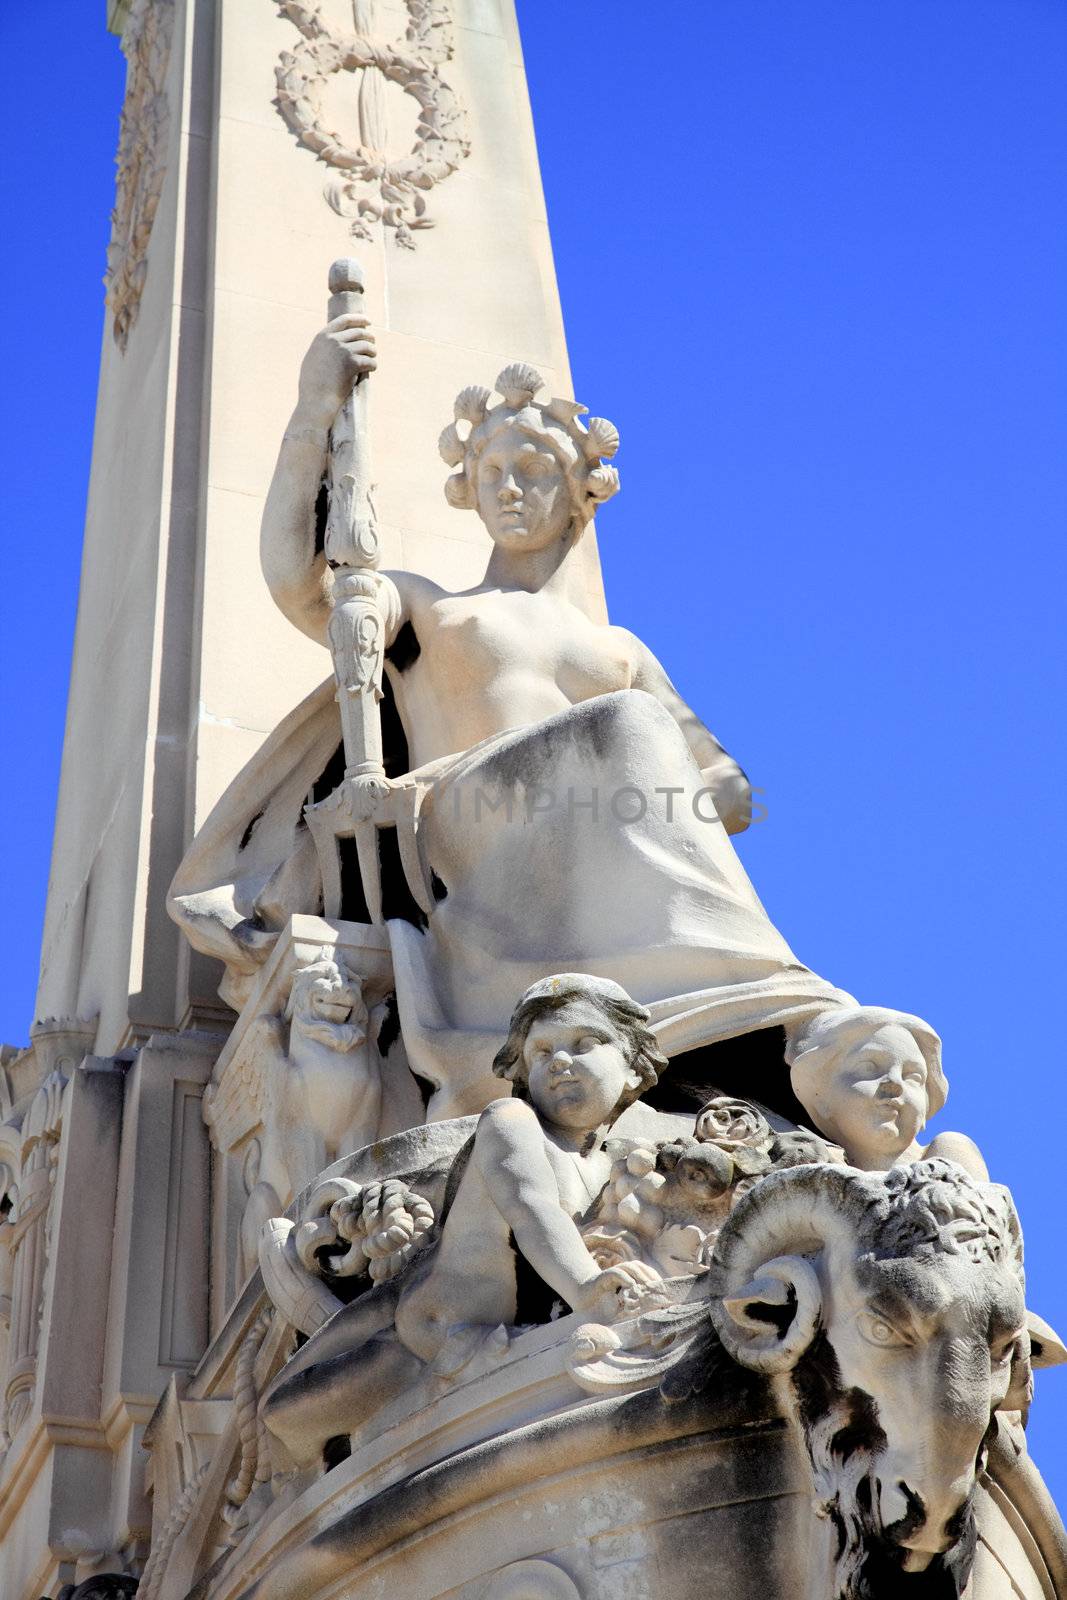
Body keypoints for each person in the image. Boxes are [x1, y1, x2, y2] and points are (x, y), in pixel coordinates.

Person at [169, 316, 852, 1113]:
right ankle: (761, 986)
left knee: (629, 724)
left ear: (579, 494)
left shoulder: (618, 650)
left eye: (533, 468)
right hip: (462, 818)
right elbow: (301, 583)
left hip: (594, 827)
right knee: (627, 724)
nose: (509, 486)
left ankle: (727, 1002)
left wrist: (678, 786)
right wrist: (313, 409)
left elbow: (726, 793)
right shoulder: (431, 607)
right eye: (491, 470)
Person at [260, 975, 670, 1469]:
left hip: (487, 1337)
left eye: (583, 1043)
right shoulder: (511, 1121)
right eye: (541, 1053)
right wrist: (587, 1289)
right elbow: (530, 1207)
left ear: (632, 1068)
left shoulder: (623, 1165)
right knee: (282, 1417)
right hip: (415, 1348)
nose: (559, 1061)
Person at [786, 1006, 986, 1176]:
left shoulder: (949, 1153)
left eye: (913, 1077)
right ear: (821, 1098)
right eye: (868, 1067)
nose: (895, 1082)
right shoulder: (813, 1167)